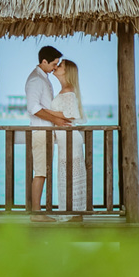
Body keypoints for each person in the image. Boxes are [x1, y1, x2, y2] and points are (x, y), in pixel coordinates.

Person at [25, 45, 71, 221]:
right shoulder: (36, 80)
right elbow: (33, 108)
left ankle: (37, 212)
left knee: (42, 171)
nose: (54, 68)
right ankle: (36, 214)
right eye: (53, 64)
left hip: (45, 131)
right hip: (40, 132)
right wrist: (56, 120)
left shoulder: (42, 77)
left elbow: (44, 107)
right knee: (40, 172)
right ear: (44, 62)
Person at [51, 59, 86, 218]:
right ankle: (69, 213)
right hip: (65, 138)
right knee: (66, 175)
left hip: (70, 138)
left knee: (71, 176)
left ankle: (73, 214)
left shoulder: (69, 91)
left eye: (60, 65)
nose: (56, 67)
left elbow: (71, 115)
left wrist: (44, 111)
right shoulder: (65, 90)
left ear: (67, 71)